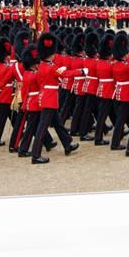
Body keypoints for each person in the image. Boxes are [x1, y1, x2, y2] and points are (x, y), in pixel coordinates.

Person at [31, 32, 87, 164]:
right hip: (49, 98)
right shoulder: (50, 67)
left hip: (47, 96)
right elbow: (66, 73)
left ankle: (67, 144)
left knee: (58, 124)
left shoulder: (42, 66)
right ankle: (36, 155)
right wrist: (81, 72)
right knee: (42, 127)